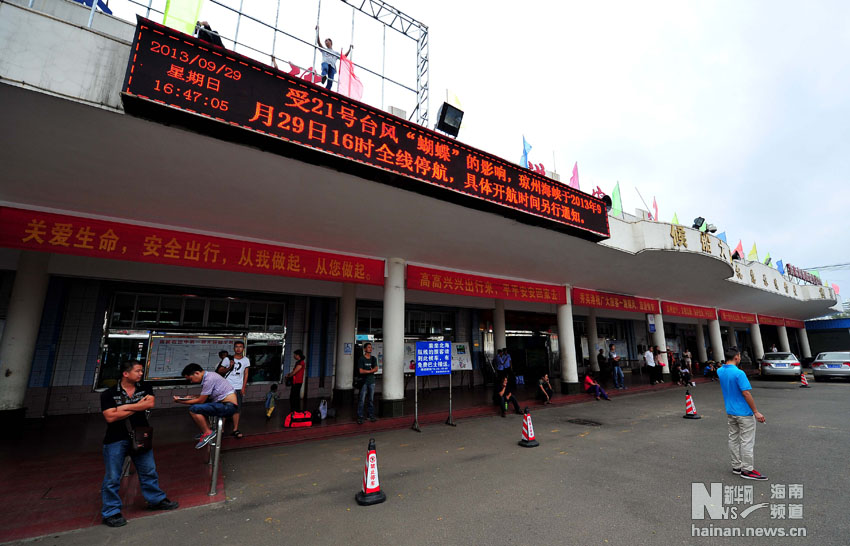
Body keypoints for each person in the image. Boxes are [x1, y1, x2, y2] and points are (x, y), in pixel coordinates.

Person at [100, 360, 178, 527]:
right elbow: (110, 417)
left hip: (140, 435)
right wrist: (137, 406)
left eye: (141, 371)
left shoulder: (145, 387)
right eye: (137, 371)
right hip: (116, 438)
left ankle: (156, 500)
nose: (141, 374)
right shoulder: (108, 394)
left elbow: (149, 403)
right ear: (125, 373)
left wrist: (122, 408)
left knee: (148, 470)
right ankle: (111, 511)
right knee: (113, 476)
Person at [717, 347, 767, 480]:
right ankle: (747, 470)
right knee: (746, 441)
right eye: (739, 356)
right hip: (744, 412)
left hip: (730, 411)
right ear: (737, 357)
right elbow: (746, 393)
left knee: (733, 439)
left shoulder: (720, 371)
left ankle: (736, 466)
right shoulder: (739, 373)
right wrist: (756, 412)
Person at [175, 363, 239, 449]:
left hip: (228, 407)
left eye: (191, 379)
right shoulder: (209, 376)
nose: (191, 382)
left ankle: (207, 432)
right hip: (224, 404)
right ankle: (207, 429)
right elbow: (205, 396)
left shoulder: (209, 379)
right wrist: (190, 397)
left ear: (197, 373)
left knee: (193, 409)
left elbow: (201, 400)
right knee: (199, 406)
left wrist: (180, 401)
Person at [219, 341, 249, 439]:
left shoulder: (246, 360)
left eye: (240, 347)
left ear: (243, 348)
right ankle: (221, 430)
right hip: (227, 387)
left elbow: (246, 374)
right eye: (236, 347)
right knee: (224, 408)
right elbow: (220, 371)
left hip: (238, 387)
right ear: (234, 348)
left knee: (237, 409)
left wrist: (243, 387)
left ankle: (235, 429)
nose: (238, 349)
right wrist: (230, 367)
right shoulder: (228, 359)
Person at [315, 25, 353, 90]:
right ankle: (323, 77)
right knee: (325, 68)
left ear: (331, 42)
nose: (325, 42)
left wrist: (350, 49)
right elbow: (318, 42)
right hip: (325, 63)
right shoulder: (324, 49)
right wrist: (317, 31)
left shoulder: (335, 53)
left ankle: (327, 90)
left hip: (332, 67)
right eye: (325, 41)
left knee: (331, 80)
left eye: (327, 40)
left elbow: (344, 56)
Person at [357, 342, 378, 424]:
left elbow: (376, 368)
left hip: (372, 382)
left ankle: (370, 415)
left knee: (371, 399)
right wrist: (370, 371)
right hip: (364, 382)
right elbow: (360, 371)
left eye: (371, 347)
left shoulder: (373, 359)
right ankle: (360, 416)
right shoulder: (361, 359)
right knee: (362, 399)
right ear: (365, 349)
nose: (370, 349)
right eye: (368, 347)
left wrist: (368, 371)